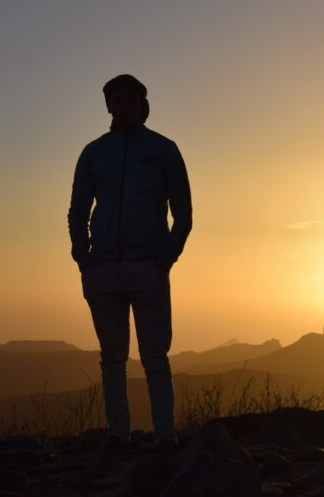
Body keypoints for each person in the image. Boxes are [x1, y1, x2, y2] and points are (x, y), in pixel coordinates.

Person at [67, 74, 192, 449]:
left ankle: (165, 438)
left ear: (142, 104)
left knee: (154, 358)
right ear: (108, 105)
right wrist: (83, 258)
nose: (123, 106)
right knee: (113, 360)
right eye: (116, 100)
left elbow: (183, 213)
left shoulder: (164, 149)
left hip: (147, 267)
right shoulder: (93, 153)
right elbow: (78, 209)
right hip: (102, 269)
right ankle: (118, 437)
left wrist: (164, 260)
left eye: (130, 100)